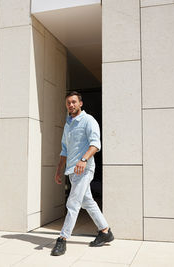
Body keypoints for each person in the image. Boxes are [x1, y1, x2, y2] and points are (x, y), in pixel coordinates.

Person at [51, 91, 114, 256]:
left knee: (73, 203)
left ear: (80, 103)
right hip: (72, 170)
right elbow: (64, 149)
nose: (70, 105)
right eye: (68, 103)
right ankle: (105, 231)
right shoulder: (68, 124)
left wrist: (84, 160)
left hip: (84, 168)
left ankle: (62, 239)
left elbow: (95, 144)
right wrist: (59, 170)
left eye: (73, 102)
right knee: (87, 202)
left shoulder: (88, 120)